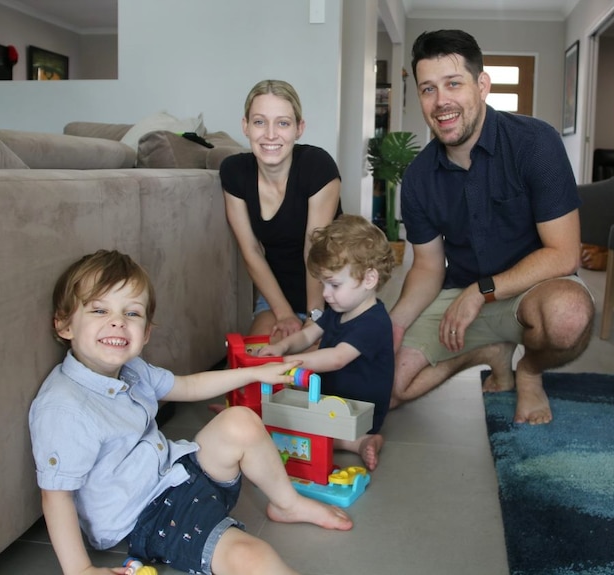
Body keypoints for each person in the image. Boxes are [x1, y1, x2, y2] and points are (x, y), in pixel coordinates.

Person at [29, 250, 352, 575]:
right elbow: (56, 496)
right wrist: (80, 570)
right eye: (99, 310)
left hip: (175, 473)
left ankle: (287, 504)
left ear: (146, 333)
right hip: (147, 516)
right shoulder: (64, 408)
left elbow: (188, 386)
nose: (118, 322)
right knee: (250, 555)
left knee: (240, 421)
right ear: (65, 324)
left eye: (132, 313)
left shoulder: (132, 370)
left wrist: (255, 373)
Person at [390, 29, 595, 425]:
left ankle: (529, 371)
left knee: (568, 316)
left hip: (532, 292)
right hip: (461, 295)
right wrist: (394, 324)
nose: (441, 101)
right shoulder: (418, 178)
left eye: (453, 84)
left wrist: (481, 292)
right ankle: (488, 352)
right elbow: (428, 267)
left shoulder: (535, 143)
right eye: (428, 89)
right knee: (394, 387)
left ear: (482, 85)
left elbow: (564, 254)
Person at [256, 215, 395, 471]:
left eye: (333, 284)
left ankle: (361, 441)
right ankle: (253, 418)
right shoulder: (337, 309)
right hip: (329, 402)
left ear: (369, 279)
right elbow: (308, 335)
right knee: (290, 410)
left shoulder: (374, 322)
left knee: (299, 432)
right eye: (323, 284)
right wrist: (282, 348)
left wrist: (286, 362)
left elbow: (336, 358)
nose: (325, 294)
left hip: (359, 413)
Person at [221, 79, 342, 344]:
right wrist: (284, 312)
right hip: (277, 294)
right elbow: (250, 250)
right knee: (257, 368)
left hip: (331, 290)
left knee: (306, 374)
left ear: (299, 128)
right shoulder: (234, 172)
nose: (271, 134)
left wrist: (314, 316)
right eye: (260, 122)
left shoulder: (317, 166)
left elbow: (314, 248)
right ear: (245, 126)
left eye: (283, 123)